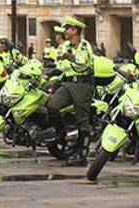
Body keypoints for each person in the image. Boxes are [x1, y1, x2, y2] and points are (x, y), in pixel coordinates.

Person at [46, 16, 95, 167]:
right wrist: (53, 85)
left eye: (68, 28)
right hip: (67, 84)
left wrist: (68, 56)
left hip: (82, 84)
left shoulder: (84, 45)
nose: (65, 31)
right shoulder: (65, 46)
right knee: (52, 106)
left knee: (82, 120)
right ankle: (62, 132)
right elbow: (61, 67)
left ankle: (82, 154)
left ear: (75, 30)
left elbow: (82, 61)